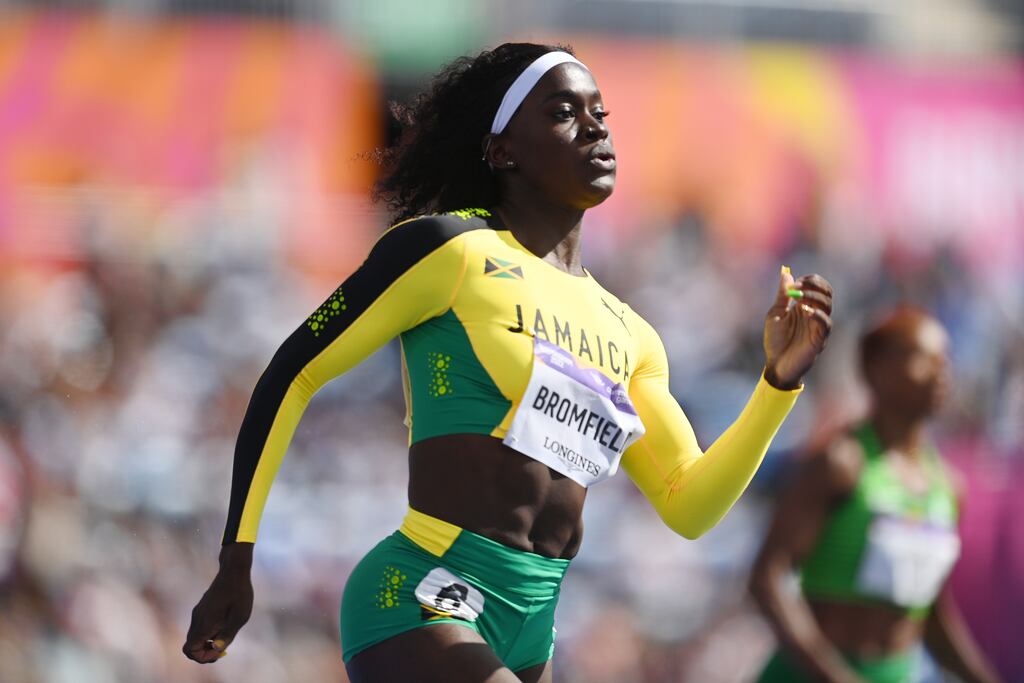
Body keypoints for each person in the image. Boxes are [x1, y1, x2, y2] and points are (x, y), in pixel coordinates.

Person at [183, 42, 833, 683]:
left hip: (532, 630)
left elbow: (689, 504)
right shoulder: (450, 249)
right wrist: (236, 557)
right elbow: (292, 372)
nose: (594, 127)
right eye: (562, 111)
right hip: (422, 594)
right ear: (502, 150)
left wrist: (778, 382)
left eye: (600, 113)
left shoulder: (630, 332)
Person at [749, 307, 1002, 683]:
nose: (941, 372)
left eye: (944, 360)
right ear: (874, 369)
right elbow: (767, 578)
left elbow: (929, 611)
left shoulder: (947, 487)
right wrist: (834, 675)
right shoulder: (841, 465)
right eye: (922, 358)